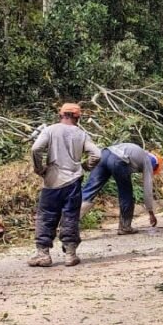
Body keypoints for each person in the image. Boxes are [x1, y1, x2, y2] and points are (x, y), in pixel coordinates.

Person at [29, 103, 101, 267]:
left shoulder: (50, 130)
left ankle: (43, 255)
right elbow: (96, 154)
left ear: (60, 115)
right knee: (70, 216)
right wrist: (84, 166)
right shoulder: (81, 134)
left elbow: (36, 149)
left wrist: (39, 169)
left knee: (46, 216)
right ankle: (70, 255)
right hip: (73, 182)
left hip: (52, 181)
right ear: (77, 117)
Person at [80, 143, 162, 235]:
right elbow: (148, 189)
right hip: (118, 160)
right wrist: (151, 212)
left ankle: (67, 223)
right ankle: (125, 227)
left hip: (104, 154)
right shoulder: (148, 162)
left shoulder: (139, 152)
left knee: (89, 190)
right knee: (126, 193)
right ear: (154, 165)